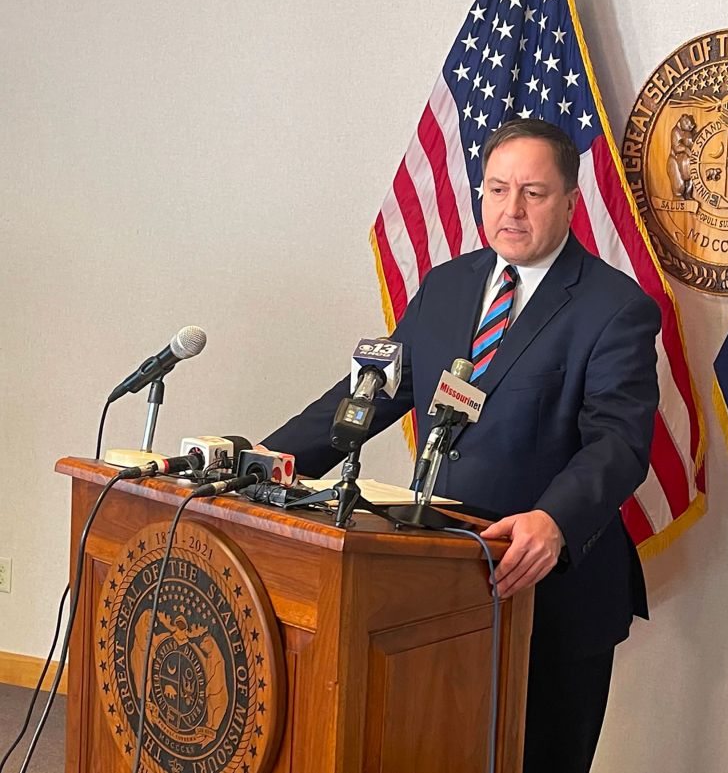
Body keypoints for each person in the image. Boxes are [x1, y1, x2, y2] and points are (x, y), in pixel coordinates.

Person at [264, 118, 660, 773]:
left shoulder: (615, 306)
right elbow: (369, 394)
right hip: (436, 581)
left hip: (548, 588)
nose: (512, 208)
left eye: (533, 192)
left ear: (570, 200)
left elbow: (618, 442)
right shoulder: (447, 285)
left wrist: (554, 519)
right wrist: (268, 460)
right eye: (498, 188)